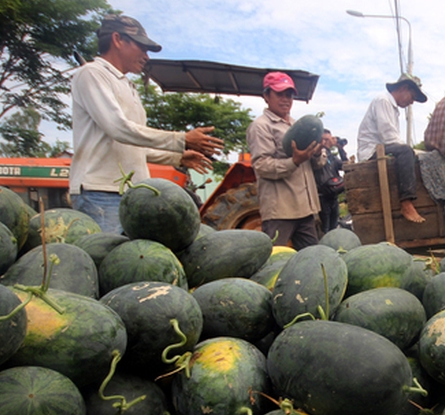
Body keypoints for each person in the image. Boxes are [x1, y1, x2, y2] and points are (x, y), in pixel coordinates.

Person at [70, 14, 222, 232]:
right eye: (142, 47)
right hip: (100, 192)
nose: (146, 56)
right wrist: (181, 139)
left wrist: (177, 156)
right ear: (117, 39)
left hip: (133, 194)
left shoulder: (127, 86)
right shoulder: (92, 74)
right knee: (105, 260)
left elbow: (131, 145)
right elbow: (118, 128)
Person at [247, 71, 325, 248]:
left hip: (306, 210)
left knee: (311, 260)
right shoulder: (260, 126)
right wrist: (294, 162)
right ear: (266, 96)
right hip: (280, 212)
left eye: (289, 95)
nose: (286, 99)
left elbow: (317, 165)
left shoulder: (297, 125)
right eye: (279, 94)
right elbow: (261, 165)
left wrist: (318, 153)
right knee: (275, 262)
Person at [356, 72, 428, 223]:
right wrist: (414, 152)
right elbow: (389, 137)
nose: (412, 103)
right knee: (406, 151)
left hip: (381, 148)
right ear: (404, 88)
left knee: (408, 152)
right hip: (371, 151)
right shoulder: (383, 101)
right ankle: (406, 204)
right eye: (412, 97)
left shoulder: (392, 107)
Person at [315, 129, 344, 233]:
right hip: (322, 196)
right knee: (325, 229)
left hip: (333, 195)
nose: (327, 142)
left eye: (328, 139)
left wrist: (341, 149)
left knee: (334, 227)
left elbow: (345, 165)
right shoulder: (317, 155)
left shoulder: (332, 157)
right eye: (324, 139)